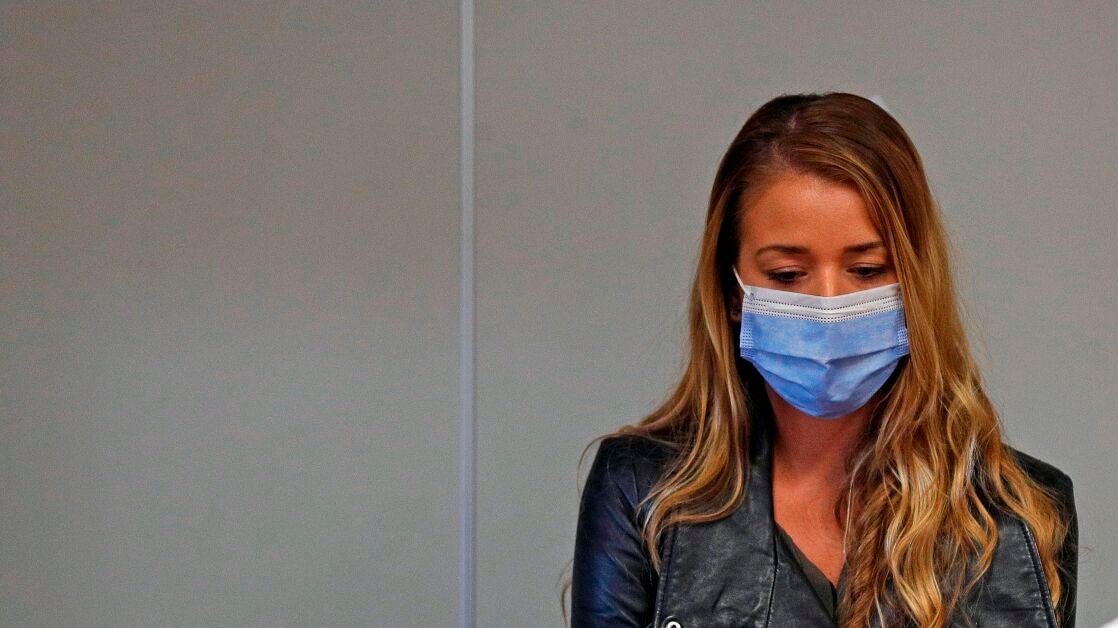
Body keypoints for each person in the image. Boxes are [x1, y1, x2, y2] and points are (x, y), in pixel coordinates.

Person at [564, 92, 1077, 627]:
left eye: (867, 270)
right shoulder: (643, 492)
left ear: (915, 282)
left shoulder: (1023, 513)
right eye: (787, 275)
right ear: (734, 291)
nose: (829, 306)